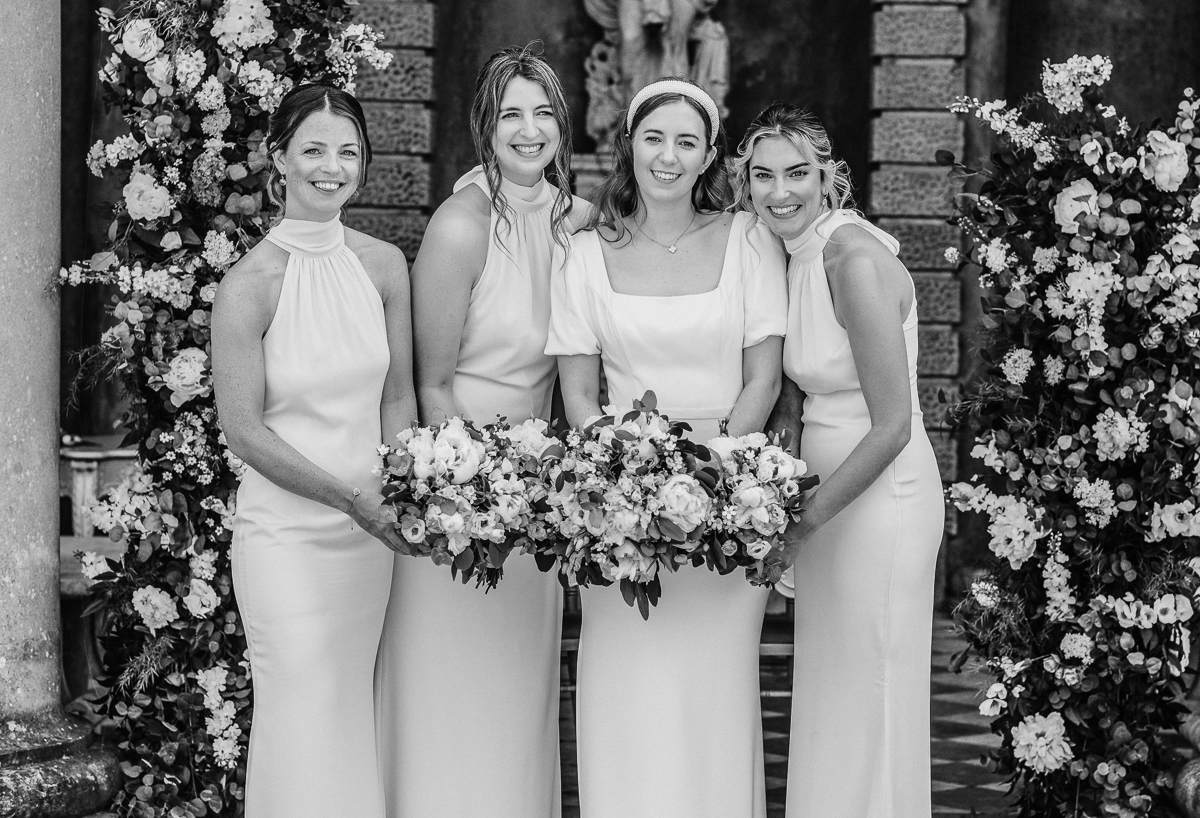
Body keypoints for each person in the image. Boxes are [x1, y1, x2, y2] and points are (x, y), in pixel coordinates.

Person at [547, 78, 787, 818]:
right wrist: (625, 485)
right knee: (628, 694)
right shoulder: (583, 254)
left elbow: (763, 376)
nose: (668, 156)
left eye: (687, 141)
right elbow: (579, 396)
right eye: (654, 138)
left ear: (710, 154)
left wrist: (715, 481)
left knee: (713, 696)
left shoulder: (749, 239)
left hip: (729, 501)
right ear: (628, 145)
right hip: (621, 511)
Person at [374, 44, 588, 818]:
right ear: (486, 128)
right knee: (449, 689)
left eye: (543, 114)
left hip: (538, 495)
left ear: (562, 125)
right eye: (511, 115)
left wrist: (543, 490)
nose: (529, 130)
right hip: (459, 493)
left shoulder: (581, 224)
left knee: (516, 697)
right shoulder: (460, 226)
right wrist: (473, 498)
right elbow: (429, 383)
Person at [732, 103, 945, 818]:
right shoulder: (793, 255)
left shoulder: (852, 260)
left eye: (797, 173)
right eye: (763, 176)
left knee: (872, 691)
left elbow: (892, 426)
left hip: (881, 500)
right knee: (832, 691)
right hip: (826, 501)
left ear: (829, 177)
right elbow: (798, 391)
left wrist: (801, 524)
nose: (779, 191)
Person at [211, 84, 415, 818]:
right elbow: (245, 431)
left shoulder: (384, 267)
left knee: (346, 710)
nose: (333, 168)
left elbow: (397, 396)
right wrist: (349, 499)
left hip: (370, 536)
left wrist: (400, 487)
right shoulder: (247, 287)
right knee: (299, 709)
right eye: (315, 150)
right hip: (287, 537)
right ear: (279, 158)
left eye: (348, 152)